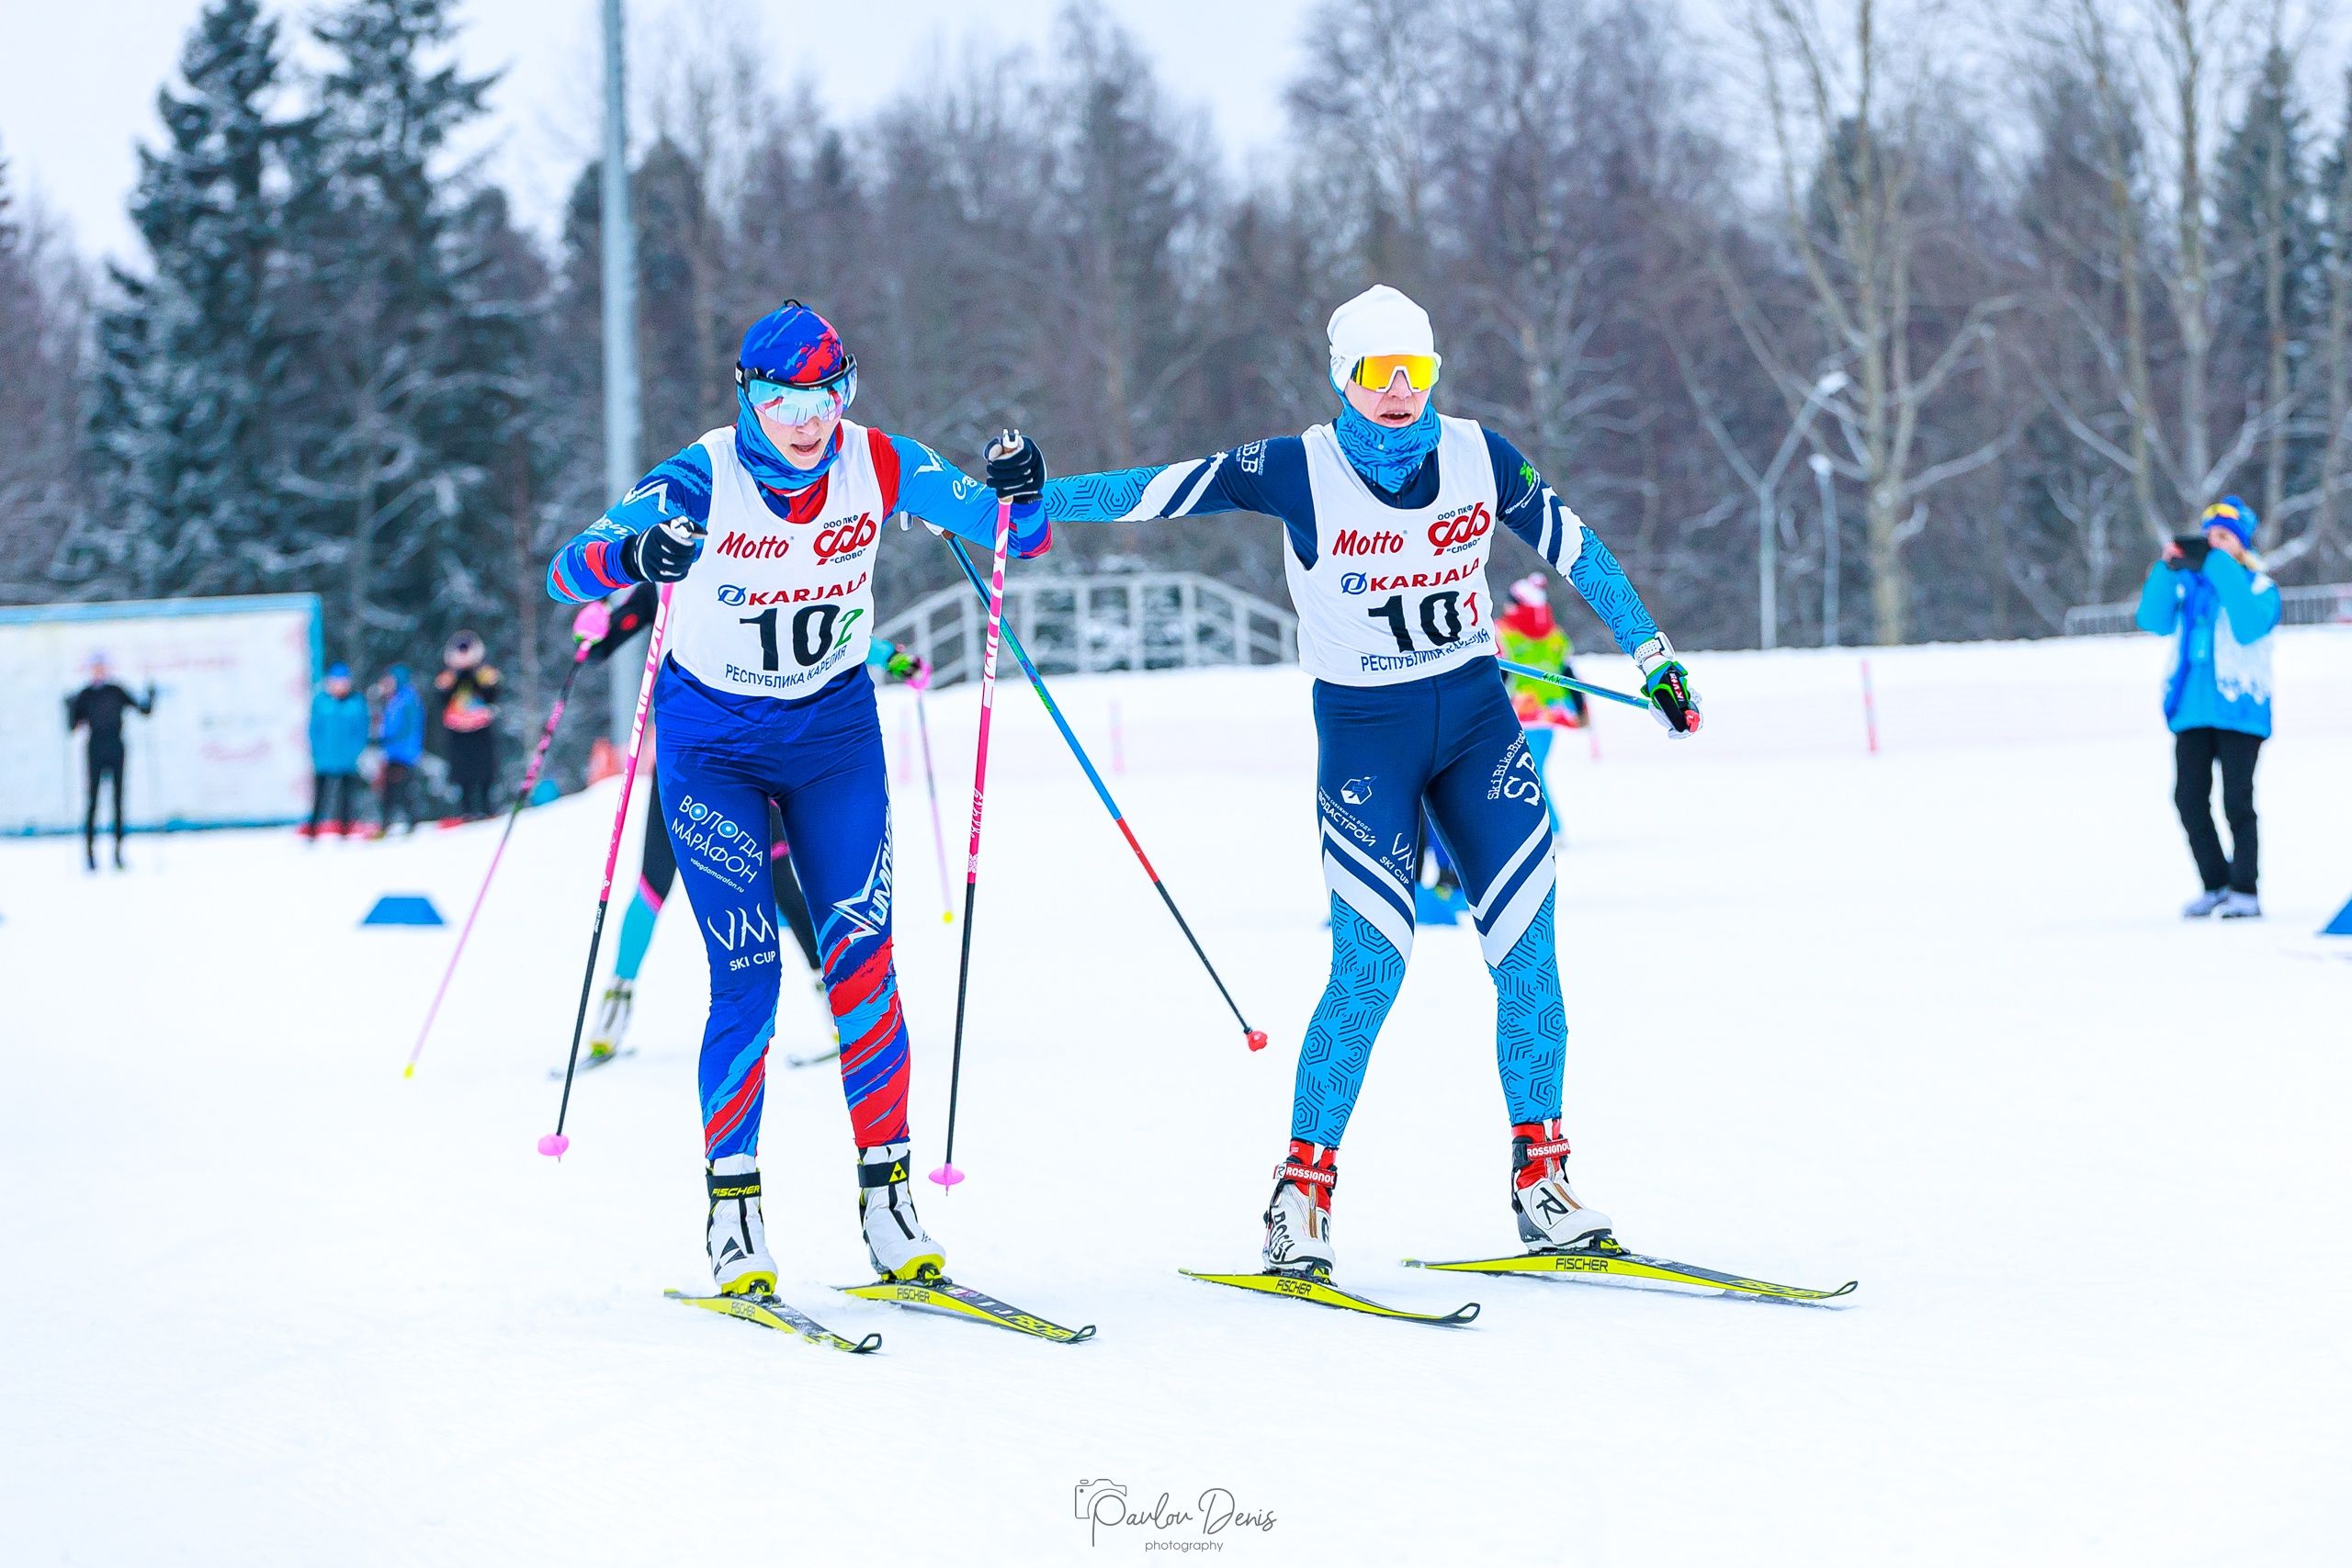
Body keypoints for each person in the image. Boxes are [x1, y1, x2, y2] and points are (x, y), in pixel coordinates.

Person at [1044, 284, 1701, 1279]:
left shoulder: (1483, 457)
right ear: (1342, 378)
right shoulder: (1296, 467)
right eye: (1378, 372)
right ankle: (1299, 1197)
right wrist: (1025, 499)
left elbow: (1580, 550)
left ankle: (1543, 1182)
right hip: (1365, 741)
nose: (1399, 391)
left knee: (1528, 957)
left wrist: (1653, 655)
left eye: (1417, 371)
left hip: (1478, 727)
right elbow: (1155, 489)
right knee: (1370, 967)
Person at [545, 299, 1048, 1297]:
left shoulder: (881, 462)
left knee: (864, 960)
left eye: (827, 396)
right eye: (783, 401)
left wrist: (1023, 491)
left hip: (831, 740)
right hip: (714, 748)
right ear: (748, 397)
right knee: (749, 971)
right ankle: (734, 1213)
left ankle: (890, 1202)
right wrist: (638, 557)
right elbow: (570, 571)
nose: (808, 421)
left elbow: (1012, 539)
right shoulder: (699, 478)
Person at [570, 584, 933, 1068]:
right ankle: (610, 1022)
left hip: (754, 754)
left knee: (779, 883)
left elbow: (818, 627)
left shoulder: (752, 565)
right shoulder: (666, 580)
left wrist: (889, 657)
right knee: (653, 883)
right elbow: (601, 646)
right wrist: (592, 628)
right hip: (687, 757)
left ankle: (842, 1014)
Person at [2135, 495, 2281, 919]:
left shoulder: (2260, 587)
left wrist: (2217, 565)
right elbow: (2153, 621)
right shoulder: (2188, 587)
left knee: (2237, 801)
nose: (2213, 544)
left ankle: (2245, 890)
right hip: (2192, 710)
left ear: (2241, 546)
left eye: (2224, 538)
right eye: (2208, 537)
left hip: (2240, 709)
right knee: (2188, 798)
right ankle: (2216, 883)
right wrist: (2167, 569)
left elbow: (2249, 626)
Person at [1497, 573, 1588, 837]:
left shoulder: (1502, 633)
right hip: (1549, 714)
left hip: (1517, 714)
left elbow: (1499, 676)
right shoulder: (1555, 636)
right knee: (1531, 770)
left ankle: (1548, 828)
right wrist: (1580, 708)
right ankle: (1542, 827)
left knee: (1526, 772)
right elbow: (1568, 673)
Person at [64, 654, 155, 872]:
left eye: (102, 667)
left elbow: (144, 710)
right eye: (96, 667)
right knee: (93, 801)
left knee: (118, 801)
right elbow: (72, 726)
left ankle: (118, 854)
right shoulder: (85, 695)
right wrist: (68, 707)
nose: (99, 671)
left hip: (116, 747)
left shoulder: (116, 690)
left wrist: (151, 696)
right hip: (95, 749)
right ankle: (90, 855)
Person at [435, 631, 501, 820]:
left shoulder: (484, 672)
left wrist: (478, 679)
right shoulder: (448, 676)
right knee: (463, 773)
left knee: (484, 769)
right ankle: (466, 810)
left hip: (480, 728)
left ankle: (487, 808)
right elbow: (441, 699)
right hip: (457, 729)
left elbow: (492, 695)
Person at [305, 663, 371, 838]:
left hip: (347, 759)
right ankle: (313, 828)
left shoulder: (356, 703)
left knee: (347, 796)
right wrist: (317, 751)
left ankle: (345, 827)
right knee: (321, 795)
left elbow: (361, 730)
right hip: (325, 758)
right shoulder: (321, 702)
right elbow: (314, 729)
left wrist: (355, 752)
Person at [370, 665, 425, 836]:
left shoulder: (406, 699)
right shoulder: (396, 699)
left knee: (398, 790)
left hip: (402, 753)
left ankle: (400, 823)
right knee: (394, 790)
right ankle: (399, 822)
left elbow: (406, 728)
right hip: (394, 752)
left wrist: (385, 736)